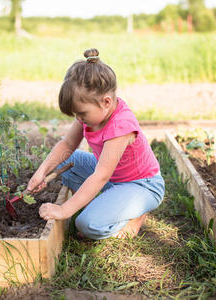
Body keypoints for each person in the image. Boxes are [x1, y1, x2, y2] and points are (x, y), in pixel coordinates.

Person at [27, 48, 165, 240]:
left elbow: (100, 175)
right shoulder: (93, 110)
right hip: (114, 179)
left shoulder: (120, 126)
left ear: (106, 102)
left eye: (82, 114)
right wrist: (41, 173)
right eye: (76, 114)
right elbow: (67, 145)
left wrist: (64, 209)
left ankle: (132, 217)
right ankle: (105, 204)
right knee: (68, 160)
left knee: (87, 224)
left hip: (141, 185)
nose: (79, 119)